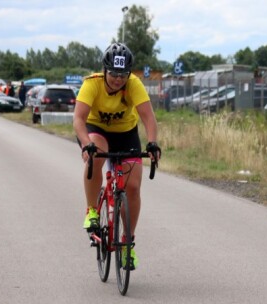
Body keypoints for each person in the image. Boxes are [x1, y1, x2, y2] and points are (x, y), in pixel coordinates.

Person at [73, 42, 161, 270]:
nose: (117, 79)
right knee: (97, 154)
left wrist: (152, 143)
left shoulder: (134, 85)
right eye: (113, 74)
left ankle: (127, 244)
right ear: (104, 70)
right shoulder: (91, 84)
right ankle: (92, 210)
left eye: (123, 75)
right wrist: (85, 144)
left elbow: (149, 118)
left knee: (132, 187)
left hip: (126, 133)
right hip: (96, 130)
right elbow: (79, 119)